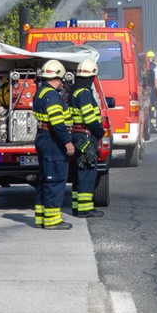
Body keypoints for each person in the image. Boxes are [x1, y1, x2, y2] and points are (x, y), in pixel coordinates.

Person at [32, 59, 76, 230]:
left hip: (43, 137)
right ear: (57, 78)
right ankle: (53, 220)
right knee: (55, 179)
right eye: (62, 80)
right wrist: (67, 142)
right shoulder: (52, 95)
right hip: (52, 140)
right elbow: (57, 123)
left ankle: (41, 217)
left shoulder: (40, 92)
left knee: (45, 179)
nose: (62, 83)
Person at [66, 59, 105, 219]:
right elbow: (89, 119)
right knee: (87, 172)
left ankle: (76, 206)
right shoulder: (85, 94)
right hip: (86, 137)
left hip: (76, 136)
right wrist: (100, 131)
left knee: (77, 172)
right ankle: (85, 209)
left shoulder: (74, 92)